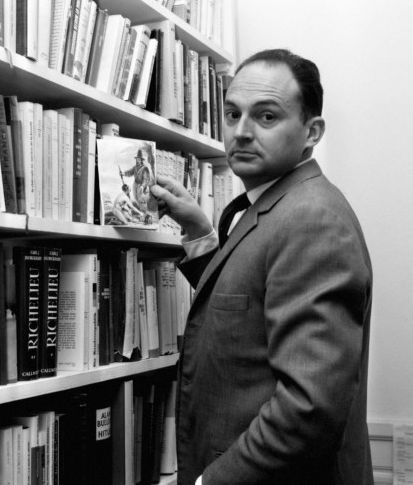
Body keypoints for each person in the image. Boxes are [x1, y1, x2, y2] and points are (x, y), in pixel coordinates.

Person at [151, 48, 373, 485]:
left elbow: (308, 408)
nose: (242, 132)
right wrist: (200, 231)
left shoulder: (312, 220)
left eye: (266, 117)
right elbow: (246, 308)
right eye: (232, 114)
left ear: (312, 132)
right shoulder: (277, 204)